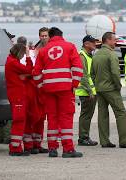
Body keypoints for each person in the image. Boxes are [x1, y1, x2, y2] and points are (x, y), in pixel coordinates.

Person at [33, 27, 84, 158]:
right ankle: (68, 149)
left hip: (49, 90)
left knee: (52, 118)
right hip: (65, 89)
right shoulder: (70, 47)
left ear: (49, 36)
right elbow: (78, 68)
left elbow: (36, 73)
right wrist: (74, 85)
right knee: (66, 117)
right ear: (61, 35)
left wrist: (41, 87)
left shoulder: (43, 50)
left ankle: (52, 149)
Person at [92, 32, 126, 148]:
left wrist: (96, 85)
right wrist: (118, 86)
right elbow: (116, 73)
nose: (115, 42)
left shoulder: (96, 54)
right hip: (111, 88)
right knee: (120, 113)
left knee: (102, 114)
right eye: (114, 40)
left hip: (99, 88)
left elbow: (92, 74)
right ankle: (124, 140)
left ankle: (104, 141)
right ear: (107, 40)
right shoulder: (111, 55)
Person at [18, 36, 49, 154]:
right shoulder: (27, 56)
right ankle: (29, 145)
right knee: (30, 118)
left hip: (40, 90)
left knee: (40, 118)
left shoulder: (38, 55)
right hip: (31, 90)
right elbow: (27, 72)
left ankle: (36, 143)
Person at [5, 43, 33, 156]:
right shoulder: (13, 63)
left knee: (20, 120)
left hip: (17, 95)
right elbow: (29, 69)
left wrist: (24, 75)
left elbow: (25, 73)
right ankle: (15, 148)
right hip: (17, 96)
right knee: (19, 120)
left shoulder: (11, 61)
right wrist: (28, 56)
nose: (22, 57)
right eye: (22, 54)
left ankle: (16, 146)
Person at [75, 35, 98, 146]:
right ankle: (83, 138)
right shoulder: (82, 56)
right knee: (86, 115)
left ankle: (85, 136)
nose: (95, 44)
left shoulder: (88, 55)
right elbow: (83, 75)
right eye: (93, 42)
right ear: (86, 44)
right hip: (85, 91)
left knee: (88, 115)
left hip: (88, 91)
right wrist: (89, 91)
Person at [0, 29, 16, 144]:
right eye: (10, 38)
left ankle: (0, 137)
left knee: (1, 111)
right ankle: (8, 136)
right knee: (8, 111)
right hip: (7, 83)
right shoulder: (7, 51)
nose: (12, 40)